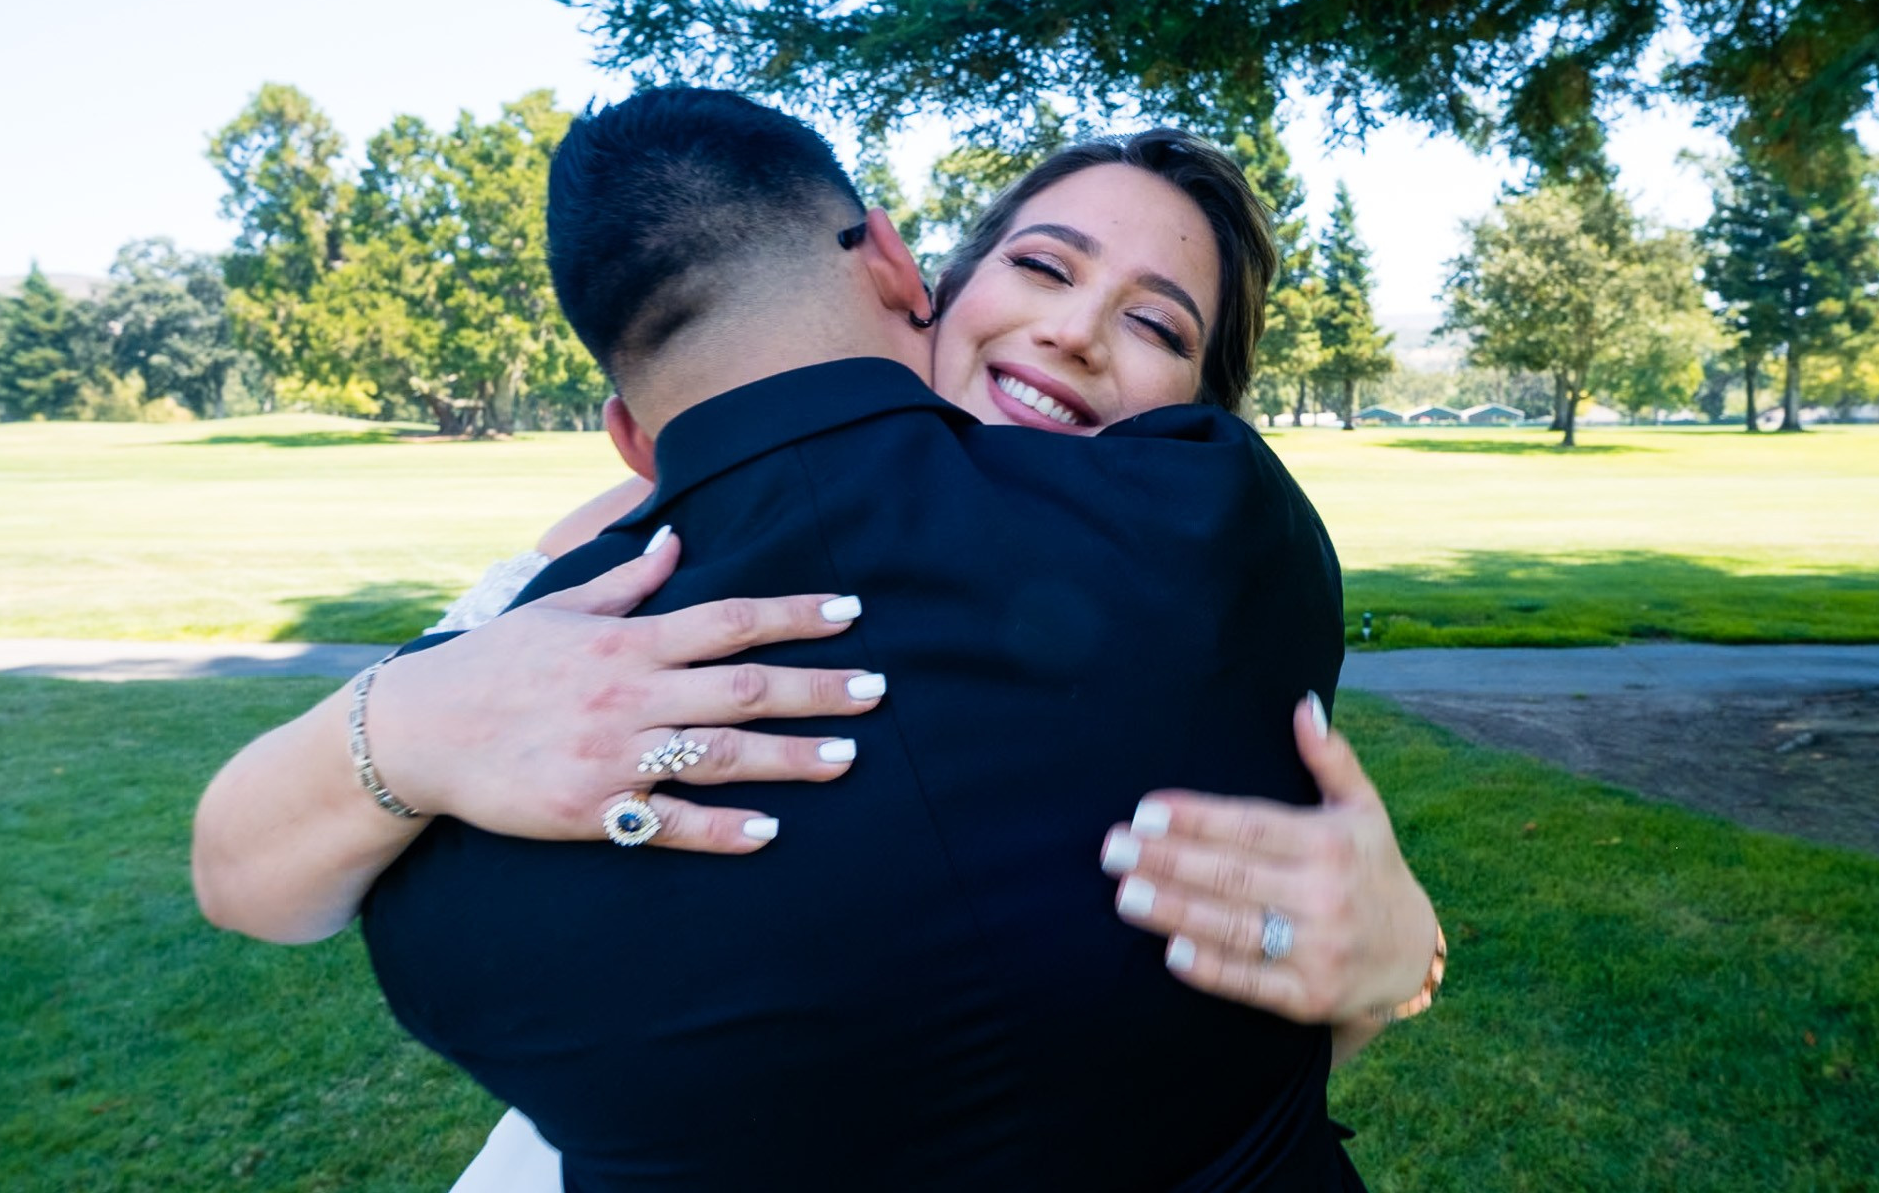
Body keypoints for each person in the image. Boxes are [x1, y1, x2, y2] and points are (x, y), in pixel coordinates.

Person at [191, 89, 1440, 1188]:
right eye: (1044, 269)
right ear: (918, 284)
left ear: (1196, 413)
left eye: (1159, 326)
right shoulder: (596, 569)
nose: (1074, 330)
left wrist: (1388, 969)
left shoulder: (1199, 624)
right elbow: (243, 871)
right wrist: (407, 725)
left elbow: (1203, 1046)